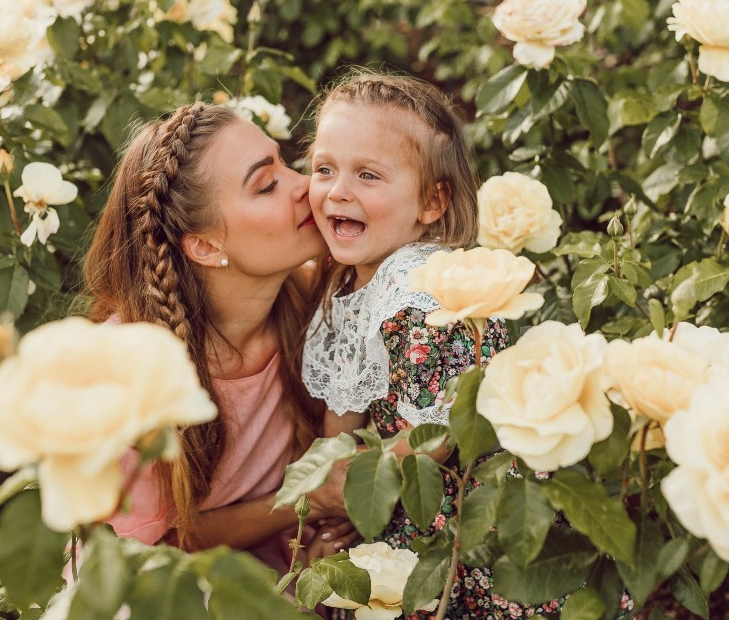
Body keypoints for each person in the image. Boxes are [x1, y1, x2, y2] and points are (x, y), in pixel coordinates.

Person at [302, 71, 563, 618]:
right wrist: (338, 505)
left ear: (431, 202)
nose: (338, 190)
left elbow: (442, 435)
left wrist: (356, 496)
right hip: (400, 487)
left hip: (460, 506)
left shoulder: (423, 291)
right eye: (324, 169)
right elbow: (341, 422)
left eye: (368, 175)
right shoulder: (348, 283)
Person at [83, 101, 352, 569]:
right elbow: (144, 555)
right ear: (206, 247)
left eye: (286, 163)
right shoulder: (127, 372)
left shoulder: (318, 299)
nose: (305, 186)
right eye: (266, 185)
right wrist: (312, 497)